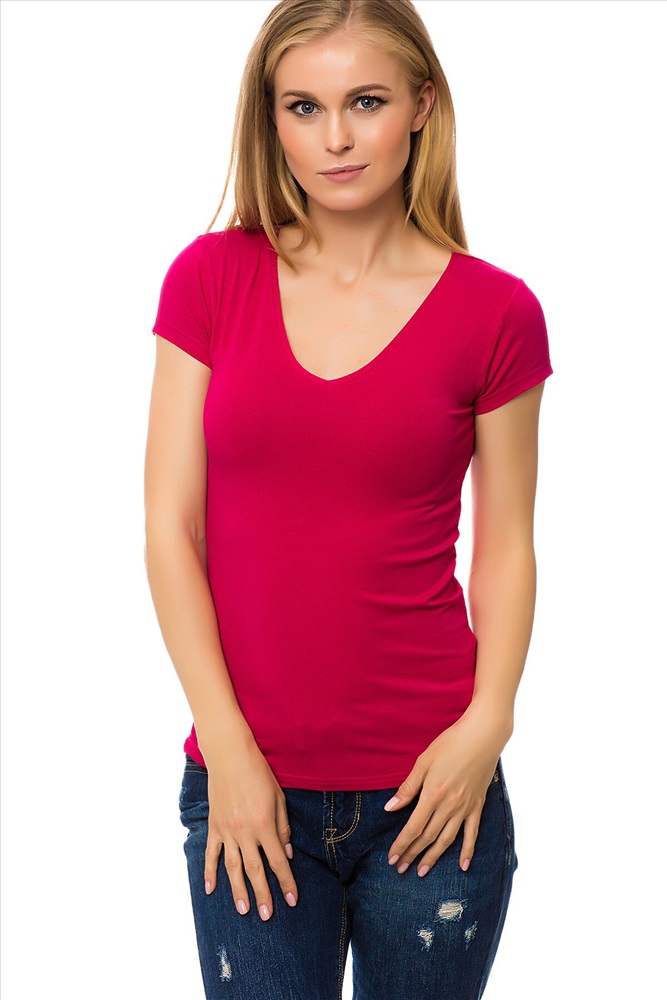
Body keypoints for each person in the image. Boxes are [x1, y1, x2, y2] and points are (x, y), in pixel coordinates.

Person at [143, 1, 553, 997]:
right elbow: (170, 529)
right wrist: (228, 750)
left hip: (431, 788)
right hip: (248, 782)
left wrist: (488, 725)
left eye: (365, 102)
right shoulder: (210, 280)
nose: (334, 137)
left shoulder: (496, 312)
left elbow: (505, 545)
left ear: (421, 105)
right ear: (270, 119)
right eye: (303, 106)